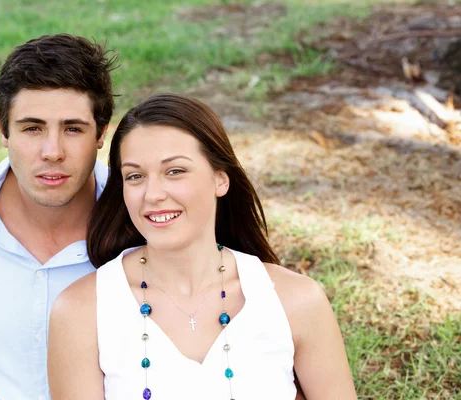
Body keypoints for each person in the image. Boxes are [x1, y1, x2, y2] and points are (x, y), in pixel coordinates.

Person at [47, 93, 358, 399]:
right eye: (135, 176)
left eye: (175, 171)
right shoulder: (81, 311)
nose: (152, 194)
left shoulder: (297, 301)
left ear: (220, 179)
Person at [0, 33, 117, 400]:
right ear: (3, 130)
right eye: (32, 128)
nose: (52, 152)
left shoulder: (137, 216)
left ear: (101, 133)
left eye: (73, 128)